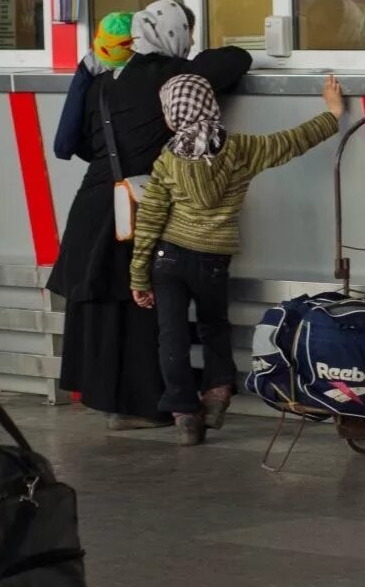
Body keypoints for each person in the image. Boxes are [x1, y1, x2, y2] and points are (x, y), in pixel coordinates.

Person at [47, 4, 251, 431]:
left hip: (94, 203)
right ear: (174, 34)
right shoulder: (175, 77)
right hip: (141, 204)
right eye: (188, 33)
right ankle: (147, 404)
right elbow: (237, 58)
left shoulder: (104, 82)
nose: (192, 43)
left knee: (108, 307)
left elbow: (84, 143)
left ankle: (113, 403)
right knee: (144, 304)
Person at [131, 74, 345, 444]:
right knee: (214, 325)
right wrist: (332, 113)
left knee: (172, 335)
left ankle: (184, 415)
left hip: (170, 258)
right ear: (210, 106)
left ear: (171, 115)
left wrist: (138, 277)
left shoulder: (166, 160)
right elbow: (292, 141)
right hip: (213, 258)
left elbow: (150, 218)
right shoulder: (241, 148)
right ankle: (217, 394)